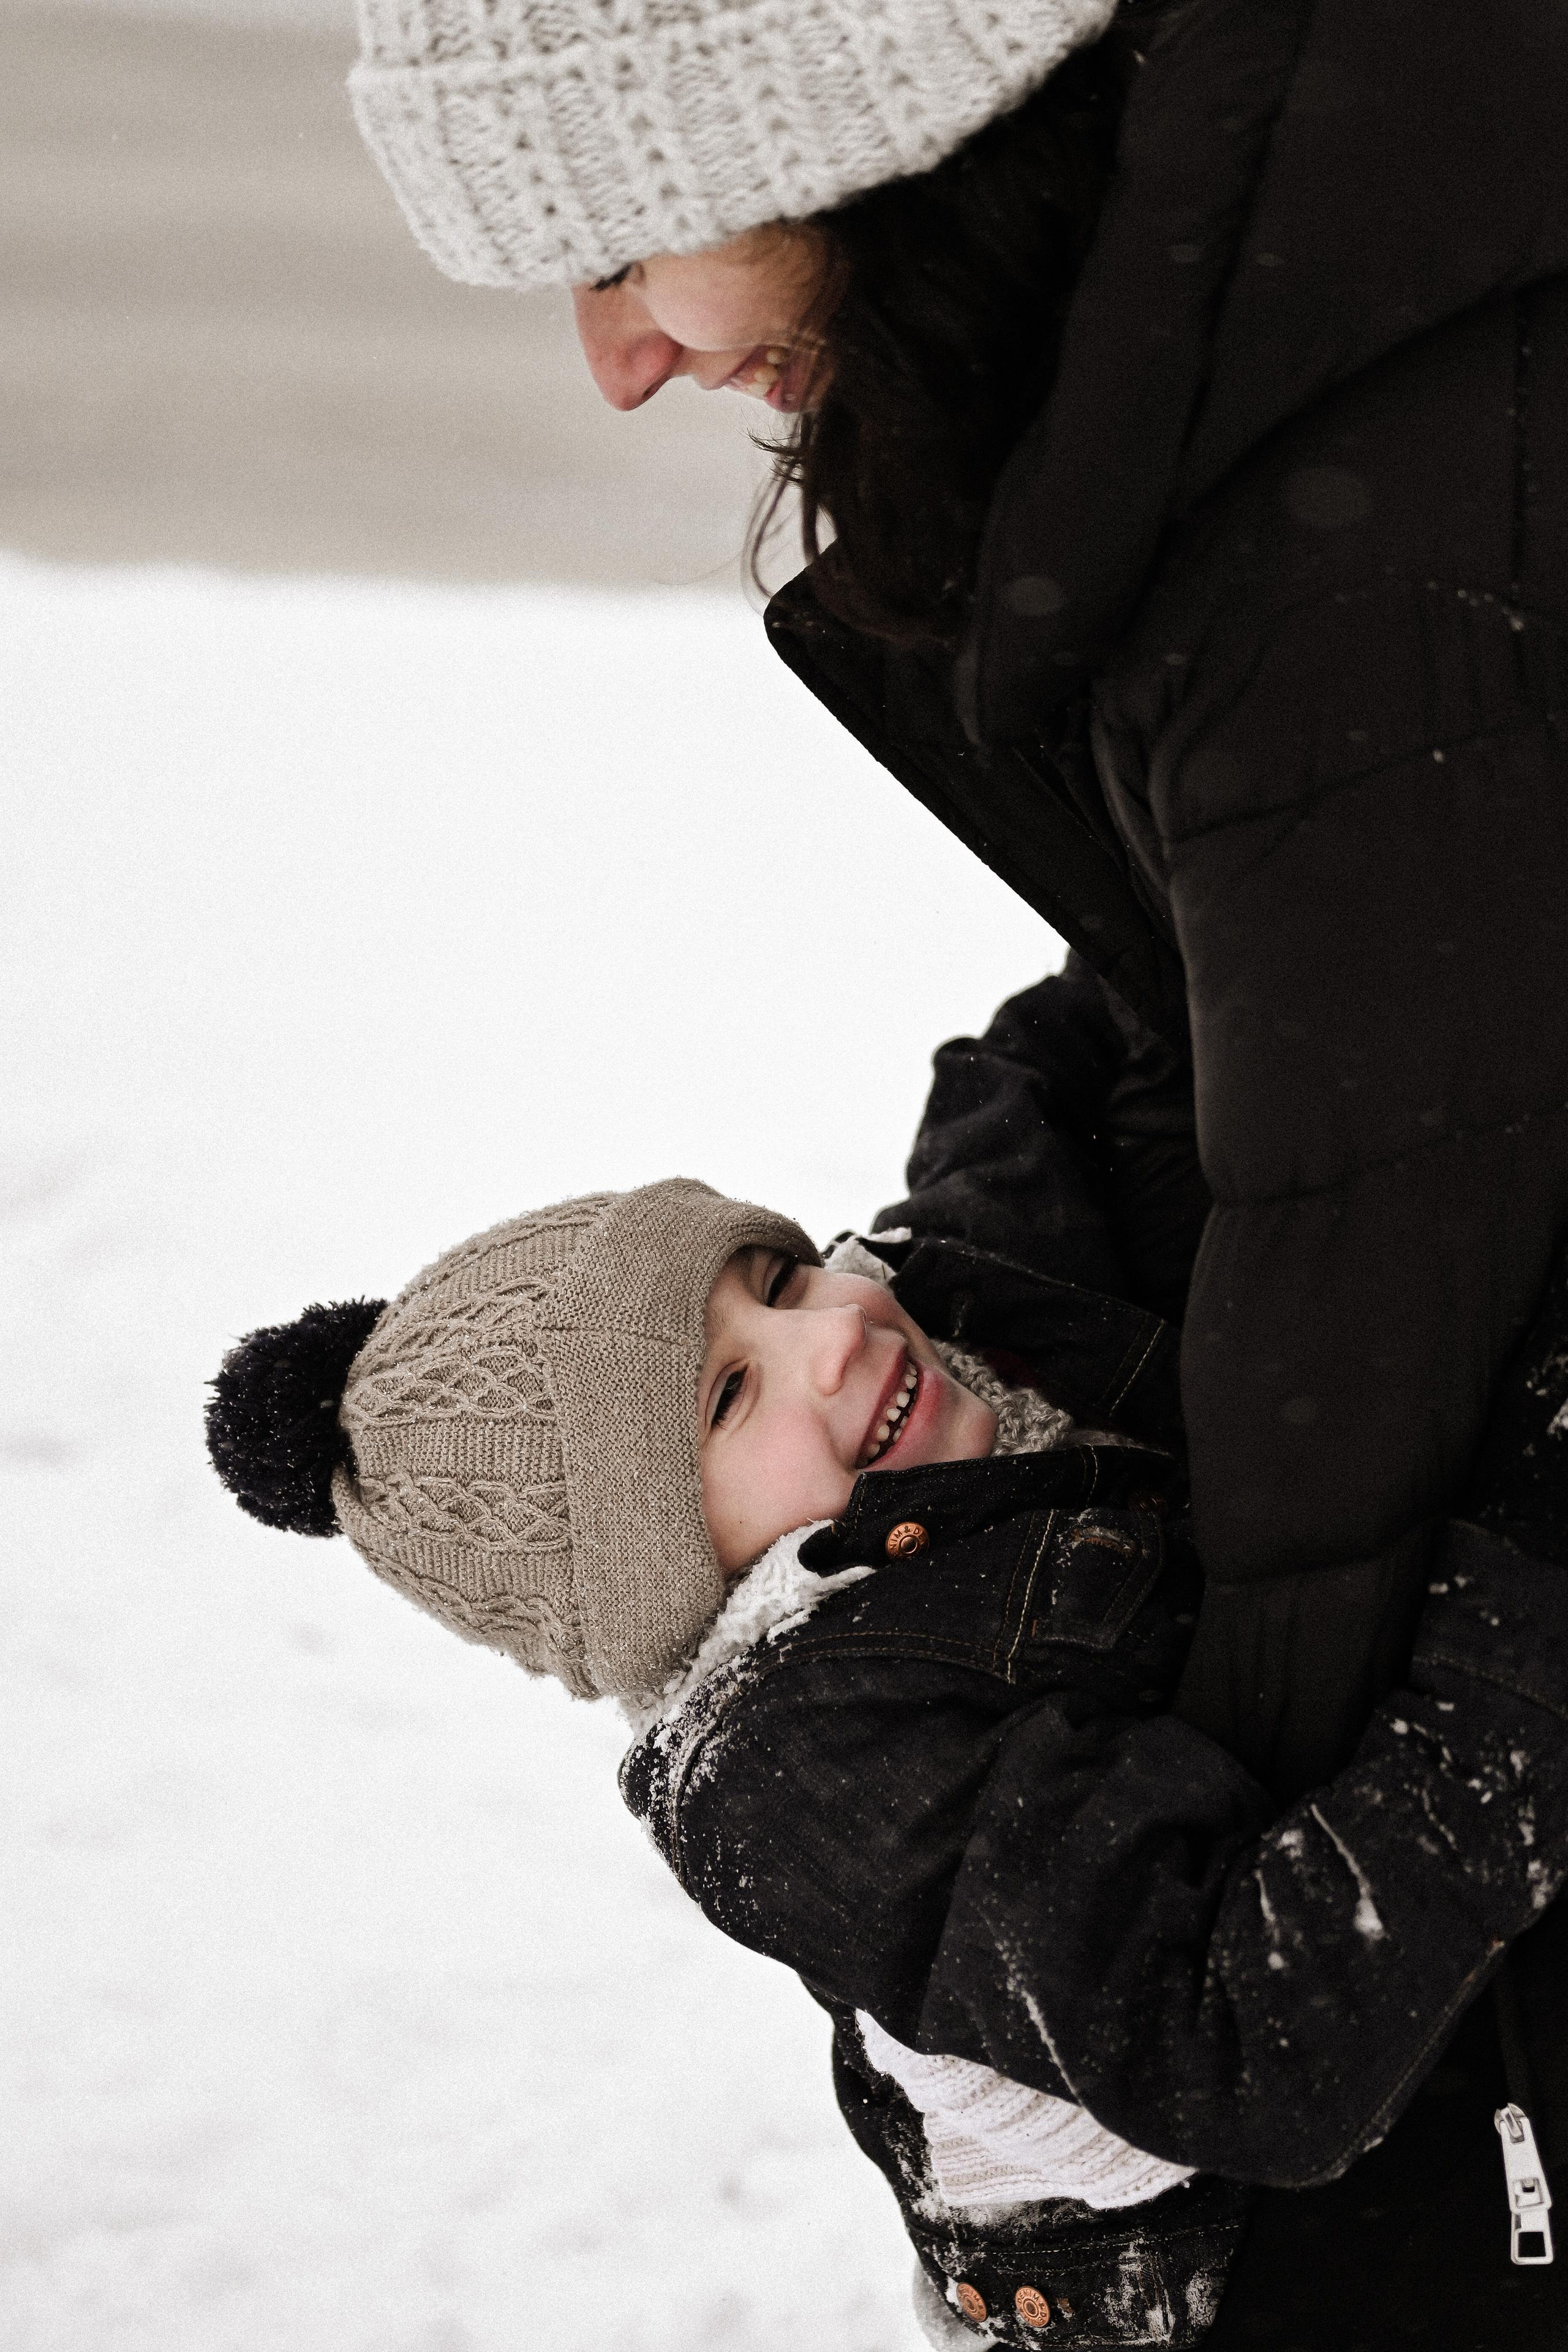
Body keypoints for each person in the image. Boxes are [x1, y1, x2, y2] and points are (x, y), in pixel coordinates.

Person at [346, 0, 1568, 1815]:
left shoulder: (1313, 557)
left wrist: (1226, 1857)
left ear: (823, 120)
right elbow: (1270, 1057)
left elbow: (1377, 1251)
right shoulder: (1275, 338)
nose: (616, 363)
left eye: (618, 252)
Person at [205, 1177, 1568, 2346]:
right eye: (730, 1392)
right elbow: (1247, 2045)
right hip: (1299, 2276)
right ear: (662, 1575)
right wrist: (1518, 1597)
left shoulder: (933, 1401)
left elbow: (1032, 1129)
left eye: (781, 1278)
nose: (834, 1338)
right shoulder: (786, 1765)